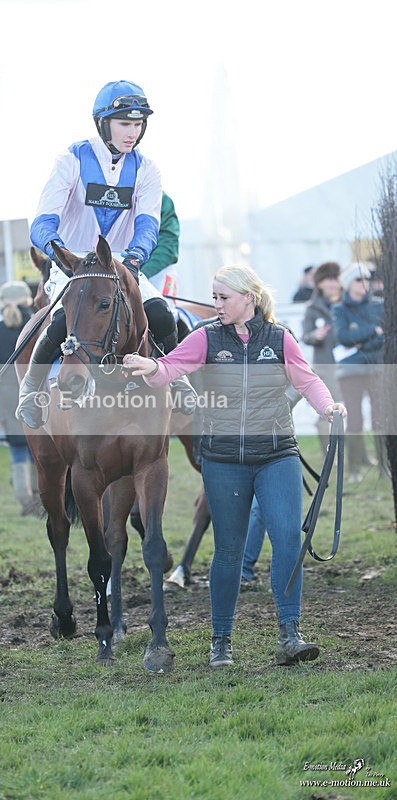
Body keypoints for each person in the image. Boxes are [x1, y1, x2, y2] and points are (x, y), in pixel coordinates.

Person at [123, 264, 346, 668]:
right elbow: (171, 368)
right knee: (228, 550)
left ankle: (289, 635)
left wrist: (327, 406)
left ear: (249, 298)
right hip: (223, 459)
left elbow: (308, 380)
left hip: (277, 454)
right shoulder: (206, 338)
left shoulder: (280, 339)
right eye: (214, 297)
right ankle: (221, 641)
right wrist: (150, 367)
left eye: (224, 297)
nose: (217, 304)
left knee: (287, 541)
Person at [16, 80, 195, 429]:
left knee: (161, 313)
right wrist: (58, 252)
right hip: (74, 264)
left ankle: (177, 378)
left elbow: (147, 225)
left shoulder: (148, 169)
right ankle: (31, 388)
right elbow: (42, 220)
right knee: (59, 323)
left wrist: (135, 257)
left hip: (122, 262)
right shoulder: (71, 159)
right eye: (125, 123)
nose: (133, 132)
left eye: (138, 124)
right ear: (103, 122)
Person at [0, 281, 41, 517]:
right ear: (28, 300)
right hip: (38, 396)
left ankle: (25, 501)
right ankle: (40, 498)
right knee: (38, 450)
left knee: (17, 451)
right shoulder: (39, 325)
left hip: (7, 400)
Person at [332, 261, 386, 482]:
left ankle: (386, 466)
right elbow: (343, 337)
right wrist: (372, 330)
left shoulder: (379, 305)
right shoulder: (339, 309)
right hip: (351, 372)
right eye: (358, 279)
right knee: (353, 420)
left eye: (366, 278)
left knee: (381, 419)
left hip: (377, 369)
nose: (364, 283)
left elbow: (385, 338)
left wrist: (362, 341)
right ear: (347, 283)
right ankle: (353, 468)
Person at [302, 261, 342, 453]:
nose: (334, 283)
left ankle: (354, 454)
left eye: (336, 279)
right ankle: (330, 452)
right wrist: (315, 335)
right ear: (319, 284)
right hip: (325, 365)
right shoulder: (312, 308)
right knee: (330, 408)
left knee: (346, 408)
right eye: (329, 280)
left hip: (346, 364)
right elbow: (305, 336)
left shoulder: (344, 303)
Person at [141, 191, 180, 306]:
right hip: (116, 270)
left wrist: (142, 274)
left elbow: (168, 246)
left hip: (153, 274)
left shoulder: (162, 199)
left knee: (162, 313)